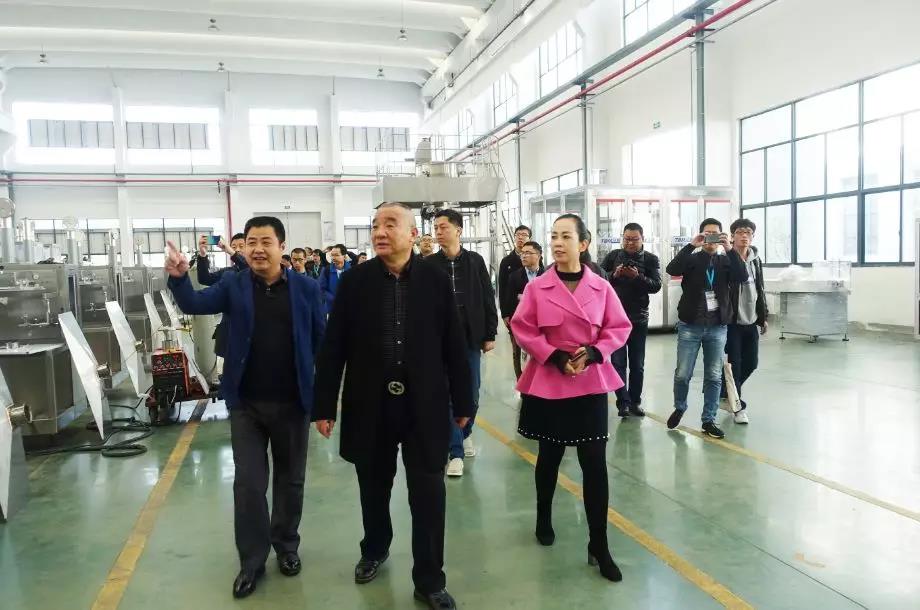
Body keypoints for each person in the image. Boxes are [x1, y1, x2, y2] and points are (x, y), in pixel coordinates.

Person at [312, 203, 472, 610]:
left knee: (429, 494)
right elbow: (334, 345)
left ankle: (430, 580)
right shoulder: (356, 281)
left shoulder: (435, 279)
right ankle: (375, 548)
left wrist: (464, 400)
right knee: (373, 487)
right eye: (375, 225)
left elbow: (454, 343)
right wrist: (324, 404)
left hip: (425, 405)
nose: (379, 232)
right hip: (371, 403)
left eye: (390, 224)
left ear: (413, 233)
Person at [165, 216, 325, 599]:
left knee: (291, 480)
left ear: (282, 247)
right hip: (247, 405)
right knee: (249, 485)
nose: (257, 249)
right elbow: (194, 302)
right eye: (251, 242)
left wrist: (324, 398)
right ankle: (252, 561)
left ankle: (286, 546)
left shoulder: (305, 288)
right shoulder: (233, 285)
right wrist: (180, 277)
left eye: (266, 242)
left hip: (293, 403)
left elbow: (322, 341)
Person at [511, 214, 631, 583]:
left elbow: (619, 327)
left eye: (566, 236)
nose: (557, 243)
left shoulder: (601, 287)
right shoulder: (537, 287)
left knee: (594, 464)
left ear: (583, 244)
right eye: (554, 236)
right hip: (550, 379)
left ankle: (599, 544)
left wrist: (596, 352)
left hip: (589, 381)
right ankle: (543, 516)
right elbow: (522, 327)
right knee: (549, 456)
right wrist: (553, 355)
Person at [665, 218, 748, 439]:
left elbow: (742, 276)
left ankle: (708, 419)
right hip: (690, 326)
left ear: (721, 237)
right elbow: (672, 269)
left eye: (715, 234)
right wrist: (691, 245)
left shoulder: (726, 260)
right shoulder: (692, 259)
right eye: (707, 234)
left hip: (717, 327)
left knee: (713, 376)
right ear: (702, 235)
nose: (711, 238)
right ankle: (680, 407)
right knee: (683, 374)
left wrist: (729, 248)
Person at [431, 209, 498, 478]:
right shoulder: (428, 264)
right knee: (449, 395)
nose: (438, 232)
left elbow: (487, 297)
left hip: (470, 338)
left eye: (443, 227)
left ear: (458, 230)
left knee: (471, 393)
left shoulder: (475, 261)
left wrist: (490, 333)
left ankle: (464, 430)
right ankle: (455, 452)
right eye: (436, 228)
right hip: (440, 340)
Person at [601, 223, 662, 418]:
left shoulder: (651, 259)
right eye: (626, 239)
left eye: (634, 239)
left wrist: (637, 277)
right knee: (618, 363)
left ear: (642, 239)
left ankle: (635, 402)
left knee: (637, 364)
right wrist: (614, 274)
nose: (630, 243)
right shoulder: (613, 256)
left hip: (639, 318)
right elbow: (599, 280)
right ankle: (623, 403)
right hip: (615, 319)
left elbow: (656, 286)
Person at [724, 218, 768, 425]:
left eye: (748, 232)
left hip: (751, 320)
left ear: (753, 236)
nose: (744, 236)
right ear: (732, 236)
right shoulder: (725, 258)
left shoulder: (755, 260)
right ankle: (737, 407)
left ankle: (725, 392)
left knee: (752, 362)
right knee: (735, 365)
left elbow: (760, 289)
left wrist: (763, 317)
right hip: (732, 321)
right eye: (740, 232)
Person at [196, 233, 249, 359]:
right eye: (234, 246)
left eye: (241, 246)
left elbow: (247, 269)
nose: (237, 249)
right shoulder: (227, 272)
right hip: (230, 331)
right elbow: (204, 279)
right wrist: (202, 255)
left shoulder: (257, 271)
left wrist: (231, 252)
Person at [500, 241, 544, 380]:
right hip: (520, 320)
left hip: (541, 321)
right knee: (517, 352)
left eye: (528, 253)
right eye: (522, 253)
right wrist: (506, 315)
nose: (523, 256)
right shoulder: (514, 276)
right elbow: (510, 298)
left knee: (539, 351)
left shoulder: (546, 275)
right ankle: (520, 379)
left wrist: (523, 296)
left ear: (538, 255)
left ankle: (538, 379)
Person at [318, 244, 351, 316]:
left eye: (336, 255)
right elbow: (321, 289)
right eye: (332, 255)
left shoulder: (352, 270)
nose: (333, 258)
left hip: (349, 309)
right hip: (331, 309)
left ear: (344, 256)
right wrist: (334, 299)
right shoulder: (326, 270)